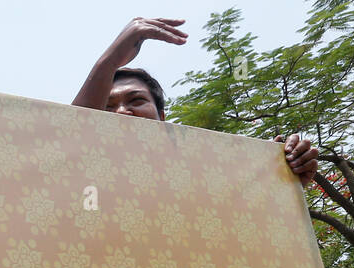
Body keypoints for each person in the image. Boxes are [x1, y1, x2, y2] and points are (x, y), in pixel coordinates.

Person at [72, 16, 319, 187]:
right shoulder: (78, 178)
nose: (122, 112)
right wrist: (108, 61)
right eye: (107, 106)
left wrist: (283, 175)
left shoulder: (204, 174)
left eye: (136, 100)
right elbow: (66, 135)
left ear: (162, 116)